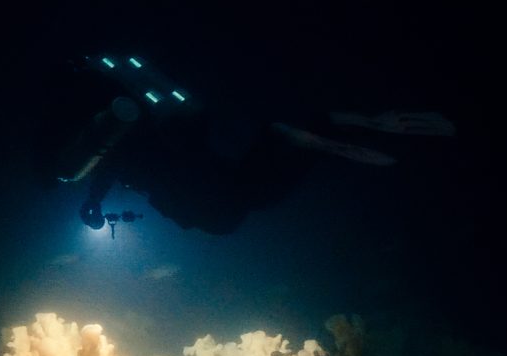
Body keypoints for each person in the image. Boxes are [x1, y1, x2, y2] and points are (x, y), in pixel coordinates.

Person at [31, 52, 455, 235]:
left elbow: (110, 160)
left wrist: (94, 199)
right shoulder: (120, 117)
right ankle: (308, 129)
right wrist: (95, 198)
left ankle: (295, 135)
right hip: (191, 147)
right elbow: (116, 158)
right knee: (251, 185)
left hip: (186, 170)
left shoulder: (110, 138)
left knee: (249, 196)